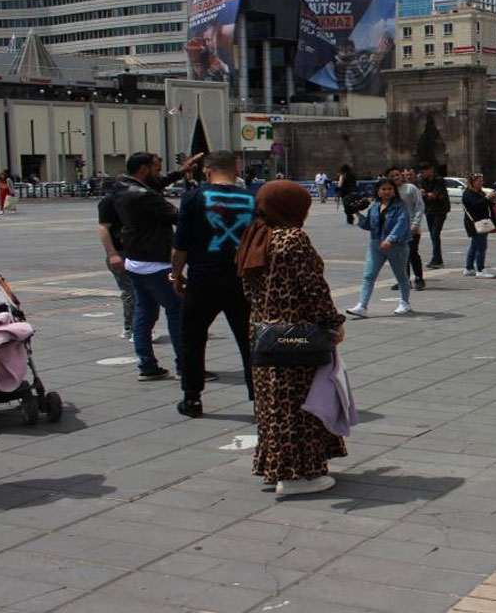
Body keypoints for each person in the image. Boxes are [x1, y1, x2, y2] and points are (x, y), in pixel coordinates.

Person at [235, 180, 346, 496]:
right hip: (297, 335)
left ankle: (275, 468)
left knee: (272, 405)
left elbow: (247, 290)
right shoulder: (293, 239)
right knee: (300, 404)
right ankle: (298, 476)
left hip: (263, 333)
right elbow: (314, 289)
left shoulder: (256, 236)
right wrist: (333, 323)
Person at [170, 151, 255, 417]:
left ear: (206, 171)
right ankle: (260, 399)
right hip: (242, 279)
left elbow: (180, 245)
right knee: (249, 340)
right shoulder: (253, 199)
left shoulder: (194, 197)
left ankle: (192, 398)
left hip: (203, 277)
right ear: (236, 169)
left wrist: (176, 275)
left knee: (192, 338)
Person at [111, 152, 193, 381]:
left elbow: (155, 184)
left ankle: (147, 365)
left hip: (136, 262)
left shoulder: (121, 186)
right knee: (178, 309)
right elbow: (178, 216)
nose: (160, 174)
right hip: (158, 266)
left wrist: (179, 172)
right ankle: (184, 366)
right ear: (143, 170)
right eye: (156, 169)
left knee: (144, 313)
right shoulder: (144, 196)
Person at [345, 179, 413, 317]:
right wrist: (356, 213)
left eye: (389, 189)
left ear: (394, 191)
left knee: (401, 275)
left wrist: (390, 239)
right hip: (375, 244)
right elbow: (369, 225)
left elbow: (402, 224)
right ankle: (362, 306)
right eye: (383, 189)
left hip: (396, 246)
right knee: (368, 276)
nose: (387, 191)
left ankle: (404, 302)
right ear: (378, 191)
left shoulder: (401, 206)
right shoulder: (375, 206)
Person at [97, 193, 136, 341]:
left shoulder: (127, 199)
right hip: (120, 252)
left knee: (132, 291)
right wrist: (112, 253)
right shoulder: (109, 202)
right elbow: (103, 228)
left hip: (130, 251)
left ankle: (130, 327)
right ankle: (133, 328)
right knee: (132, 290)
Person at [388, 166, 426, 291]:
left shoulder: (410, 188)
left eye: (397, 175)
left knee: (412, 253)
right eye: (392, 176)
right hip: (396, 228)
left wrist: (415, 224)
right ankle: (404, 280)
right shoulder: (389, 191)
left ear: (401, 175)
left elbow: (419, 206)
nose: (395, 178)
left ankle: (419, 278)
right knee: (400, 255)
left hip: (411, 226)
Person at [461, 174, 496, 278]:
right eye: (479, 181)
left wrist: (492, 199)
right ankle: (480, 270)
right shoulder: (468, 193)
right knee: (481, 247)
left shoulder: (479, 192)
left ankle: (469, 268)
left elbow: (486, 205)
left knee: (474, 246)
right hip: (474, 223)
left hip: (482, 222)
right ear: (472, 182)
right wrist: (487, 197)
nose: (481, 183)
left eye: (482, 181)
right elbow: (476, 205)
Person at [417, 163, 450, 268]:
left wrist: (426, 194)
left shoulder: (439, 180)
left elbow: (434, 196)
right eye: (421, 172)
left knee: (435, 233)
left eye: (424, 171)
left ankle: (437, 259)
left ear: (431, 170)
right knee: (433, 234)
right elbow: (422, 194)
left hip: (440, 210)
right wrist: (427, 194)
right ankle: (437, 258)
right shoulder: (423, 180)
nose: (422, 174)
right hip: (429, 210)